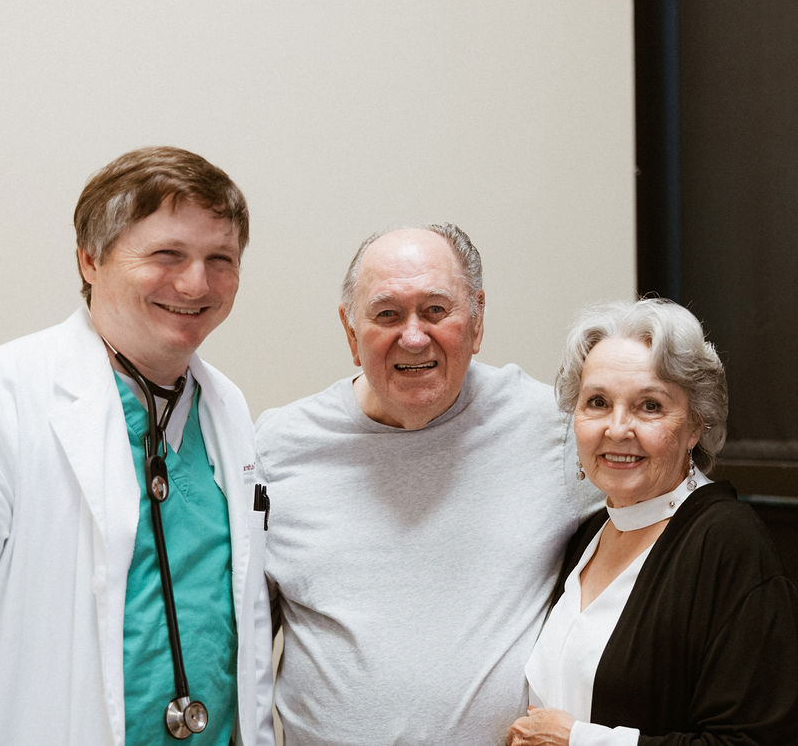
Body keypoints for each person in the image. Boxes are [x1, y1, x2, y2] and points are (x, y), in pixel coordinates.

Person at [0, 147, 275, 745]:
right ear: (90, 259)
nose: (197, 283)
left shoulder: (228, 410)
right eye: (167, 255)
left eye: (221, 259)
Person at [255, 224, 604, 744]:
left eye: (436, 310)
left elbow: (667, 524)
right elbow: (241, 640)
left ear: (477, 320)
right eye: (387, 314)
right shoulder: (276, 446)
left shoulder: (553, 429)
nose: (413, 336)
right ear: (351, 333)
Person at [507, 298, 798, 745]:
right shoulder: (592, 532)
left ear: (695, 426)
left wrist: (578, 742)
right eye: (597, 402)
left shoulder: (727, 542)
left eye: (649, 406)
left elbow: (750, 741)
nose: (617, 428)